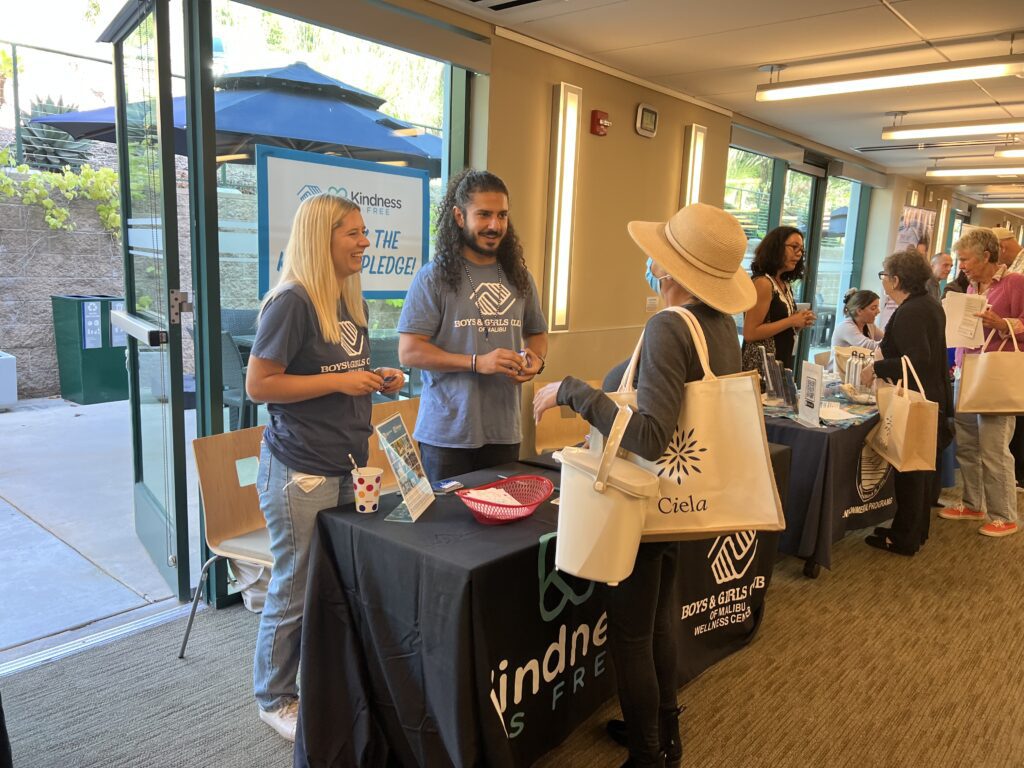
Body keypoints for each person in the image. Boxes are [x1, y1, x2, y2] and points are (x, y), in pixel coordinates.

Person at [534, 203, 755, 768]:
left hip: (644, 498)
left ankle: (650, 753)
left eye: (656, 262)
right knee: (657, 623)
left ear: (671, 271)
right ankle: (664, 735)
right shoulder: (717, 326)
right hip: (682, 498)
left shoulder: (667, 326)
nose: (651, 270)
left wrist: (573, 393)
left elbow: (649, 436)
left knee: (632, 635)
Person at [245, 194, 405, 740]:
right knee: (294, 586)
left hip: (347, 464)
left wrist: (376, 376)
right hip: (300, 472)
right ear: (322, 237)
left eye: (365, 232)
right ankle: (273, 696)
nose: (365, 242)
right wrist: (340, 381)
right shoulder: (291, 302)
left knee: (333, 581)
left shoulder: (345, 299)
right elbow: (260, 384)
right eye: (354, 233)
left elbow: (337, 370)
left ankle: (321, 678)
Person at [398, 169, 548, 482]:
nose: (495, 225)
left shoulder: (520, 276)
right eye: (483, 215)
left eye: (502, 215)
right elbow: (409, 352)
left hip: (504, 430)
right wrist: (477, 363)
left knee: (500, 524)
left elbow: (536, 333)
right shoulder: (432, 278)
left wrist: (535, 361)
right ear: (458, 216)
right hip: (446, 436)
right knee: (446, 530)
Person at [859, 250, 951, 555]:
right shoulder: (928, 304)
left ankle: (904, 538)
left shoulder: (912, 310)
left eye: (884, 275)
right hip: (930, 396)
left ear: (896, 279)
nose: (883, 281)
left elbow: (917, 360)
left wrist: (877, 369)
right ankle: (914, 531)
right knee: (921, 469)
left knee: (910, 470)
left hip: (915, 398)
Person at [940, 228, 1024, 537]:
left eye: (965, 259)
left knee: (994, 448)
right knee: (968, 444)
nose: (961, 265)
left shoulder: (1015, 283)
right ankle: (972, 503)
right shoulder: (972, 289)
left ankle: (1004, 515)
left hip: (996, 374)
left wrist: (1003, 324)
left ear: (986, 256)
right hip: (966, 371)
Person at [741, 226, 814, 371]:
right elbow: (750, 333)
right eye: (794, 247)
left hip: (779, 362)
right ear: (776, 248)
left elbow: (779, 327)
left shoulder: (783, 283)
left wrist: (798, 323)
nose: (799, 254)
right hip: (760, 367)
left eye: (801, 250)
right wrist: (791, 320)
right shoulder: (763, 283)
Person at [992, 227, 1024, 485]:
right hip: (996, 361)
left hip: (1011, 360)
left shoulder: (1015, 278)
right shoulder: (997, 276)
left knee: (1000, 442)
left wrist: (1002, 324)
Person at [830, 288, 883, 356]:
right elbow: (871, 347)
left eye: (877, 307)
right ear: (859, 311)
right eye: (873, 308)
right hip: (841, 366)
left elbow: (885, 339)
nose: (878, 311)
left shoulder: (870, 326)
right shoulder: (846, 327)